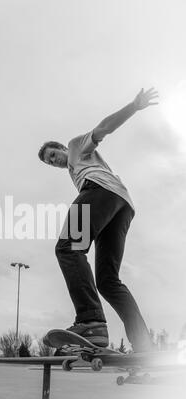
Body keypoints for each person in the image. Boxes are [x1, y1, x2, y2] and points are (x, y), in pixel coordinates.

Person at [39, 88, 158, 352]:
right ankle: (145, 347)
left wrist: (133, 106)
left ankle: (90, 320)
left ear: (60, 147)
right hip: (122, 204)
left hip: (100, 191)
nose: (54, 161)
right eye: (50, 162)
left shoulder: (74, 146)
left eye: (53, 155)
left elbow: (103, 128)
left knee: (68, 247)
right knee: (107, 281)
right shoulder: (76, 170)